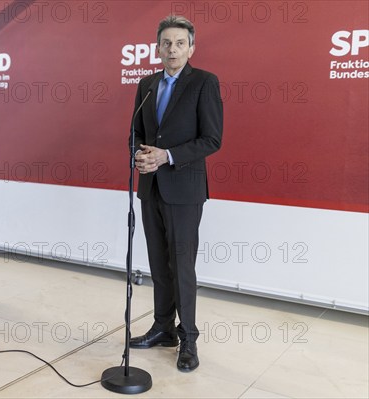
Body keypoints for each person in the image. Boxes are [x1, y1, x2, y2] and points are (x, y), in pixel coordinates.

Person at [129, 15, 223, 372]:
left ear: (191, 48)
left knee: (182, 266)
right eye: (166, 43)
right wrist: (139, 155)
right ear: (157, 48)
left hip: (184, 190)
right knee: (158, 265)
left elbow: (212, 139)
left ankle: (188, 340)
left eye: (179, 43)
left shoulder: (204, 83)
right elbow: (135, 132)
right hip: (150, 188)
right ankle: (162, 328)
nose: (172, 49)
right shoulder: (146, 84)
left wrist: (166, 156)